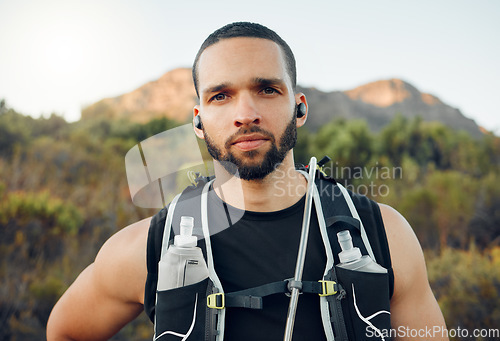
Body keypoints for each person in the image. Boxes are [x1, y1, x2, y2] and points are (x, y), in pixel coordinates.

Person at [47, 22, 448, 340]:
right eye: (220, 96)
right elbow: (64, 331)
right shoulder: (148, 247)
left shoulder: (383, 235)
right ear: (198, 121)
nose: (246, 113)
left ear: (300, 107)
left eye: (267, 89)